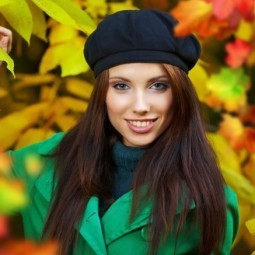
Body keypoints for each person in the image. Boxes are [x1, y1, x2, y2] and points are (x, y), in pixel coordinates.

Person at [2, 9, 238, 255]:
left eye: (158, 86)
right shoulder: (45, 166)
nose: (140, 106)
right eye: (121, 86)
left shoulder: (206, 201)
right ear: (102, 94)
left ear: (180, 93)